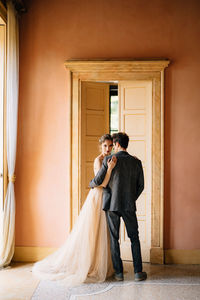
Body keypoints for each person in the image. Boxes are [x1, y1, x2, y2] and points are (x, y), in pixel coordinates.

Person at [32, 134, 117, 286]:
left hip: (107, 198)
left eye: (110, 146)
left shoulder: (110, 159)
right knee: (93, 230)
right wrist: (110, 169)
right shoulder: (99, 160)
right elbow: (102, 183)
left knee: (104, 231)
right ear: (100, 146)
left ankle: (104, 264)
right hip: (97, 197)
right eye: (105, 146)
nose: (108, 149)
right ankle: (90, 265)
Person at [89, 132, 147, 282]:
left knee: (114, 239)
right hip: (129, 205)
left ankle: (119, 273)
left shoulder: (109, 160)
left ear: (116, 144)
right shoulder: (136, 162)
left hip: (112, 205)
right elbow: (141, 186)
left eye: (112, 144)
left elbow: (96, 181)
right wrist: (130, 198)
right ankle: (138, 272)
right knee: (134, 238)